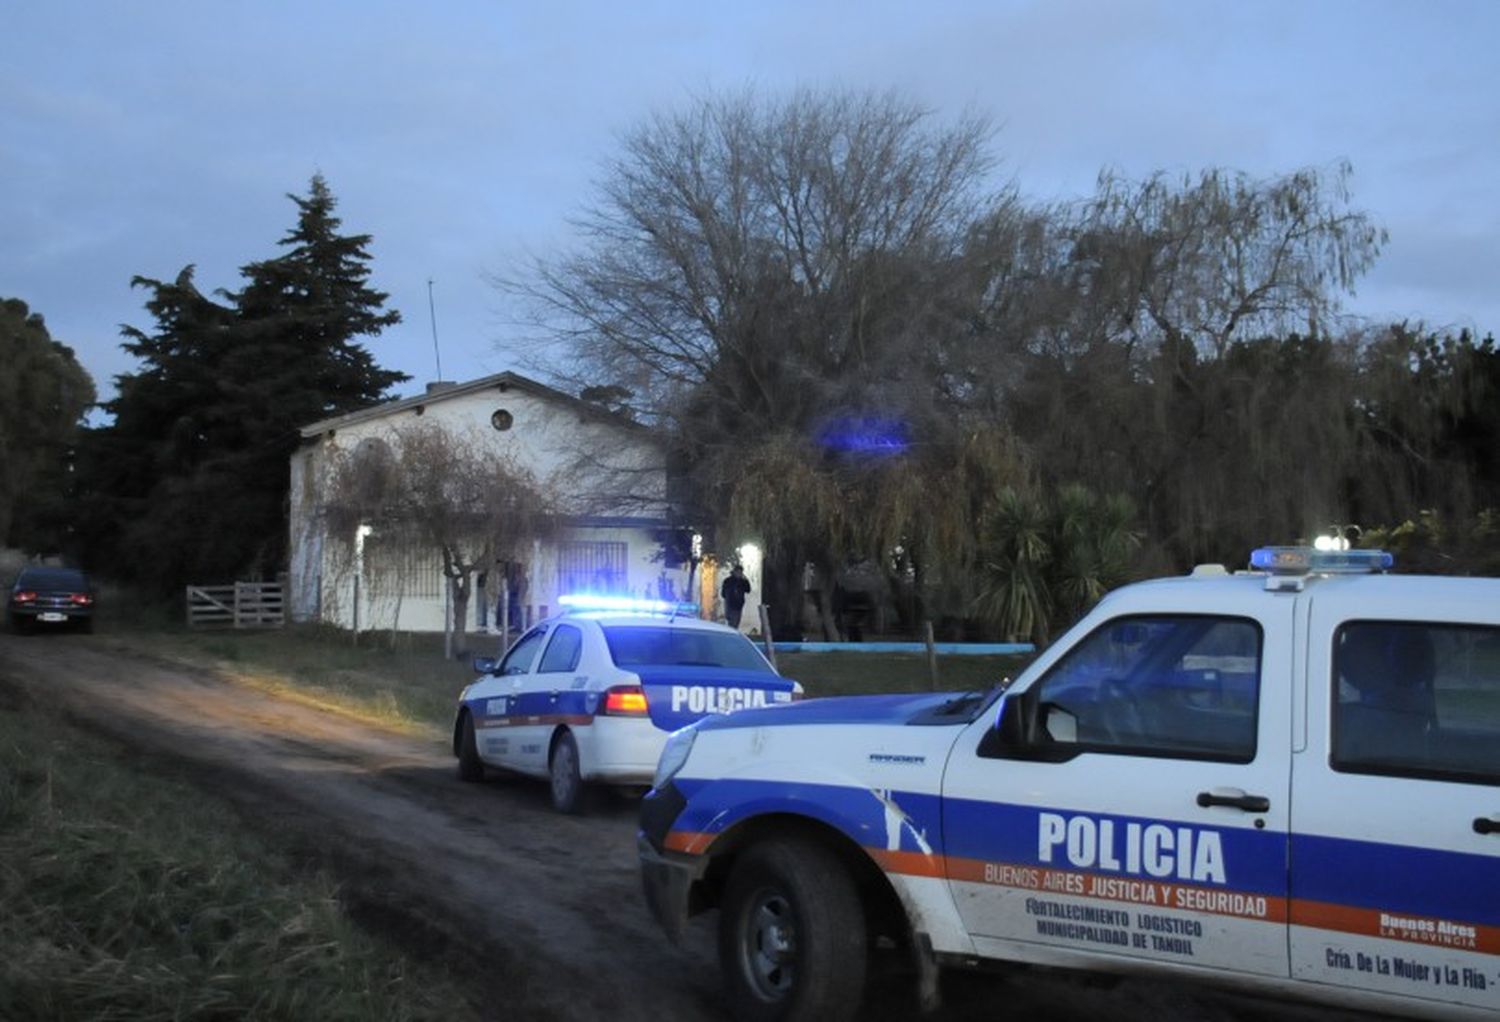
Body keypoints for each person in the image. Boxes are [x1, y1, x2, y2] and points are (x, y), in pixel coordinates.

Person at [720, 564, 752, 629]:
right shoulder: (728, 581)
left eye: (740, 572)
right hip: (730, 604)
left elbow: (748, 590)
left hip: (738, 605)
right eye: (738, 572)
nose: (739, 574)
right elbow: (723, 594)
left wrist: (745, 580)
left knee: (735, 623)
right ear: (734, 572)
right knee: (732, 623)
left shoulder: (742, 581)